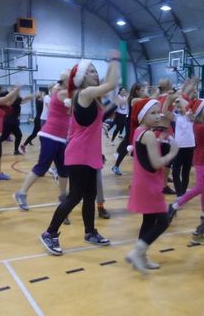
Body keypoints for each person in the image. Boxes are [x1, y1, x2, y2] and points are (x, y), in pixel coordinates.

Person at [39, 53, 120, 256]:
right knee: (75, 196)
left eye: (95, 70)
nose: (95, 73)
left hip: (89, 153)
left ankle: (90, 232)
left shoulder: (91, 97)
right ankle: (49, 233)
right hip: (79, 153)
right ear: (82, 77)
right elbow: (111, 84)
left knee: (90, 195)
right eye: (91, 71)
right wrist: (114, 60)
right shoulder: (85, 93)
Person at [125, 98, 179, 273]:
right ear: (142, 116)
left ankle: (140, 257)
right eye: (153, 113)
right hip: (149, 185)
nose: (157, 116)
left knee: (148, 221)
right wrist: (172, 153)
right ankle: (137, 252)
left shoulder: (139, 131)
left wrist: (160, 140)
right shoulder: (148, 135)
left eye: (158, 113)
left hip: (143, 182)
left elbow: (146, 157)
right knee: (163, 221)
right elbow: (156, 163)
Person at [14, 72, 70, 214]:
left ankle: (63, 196)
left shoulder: (64, 91)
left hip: (61, 138)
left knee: (64, 170)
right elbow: (82, 96)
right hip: (50, 136)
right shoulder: (62, 92)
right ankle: (21, 193)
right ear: (65, 80)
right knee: (42, 167)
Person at [168, 99, 204, 222]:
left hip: (203, 158)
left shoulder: (201, 123)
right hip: (202, 160)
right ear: (201, 112)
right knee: (200, 188)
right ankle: (175, 205)